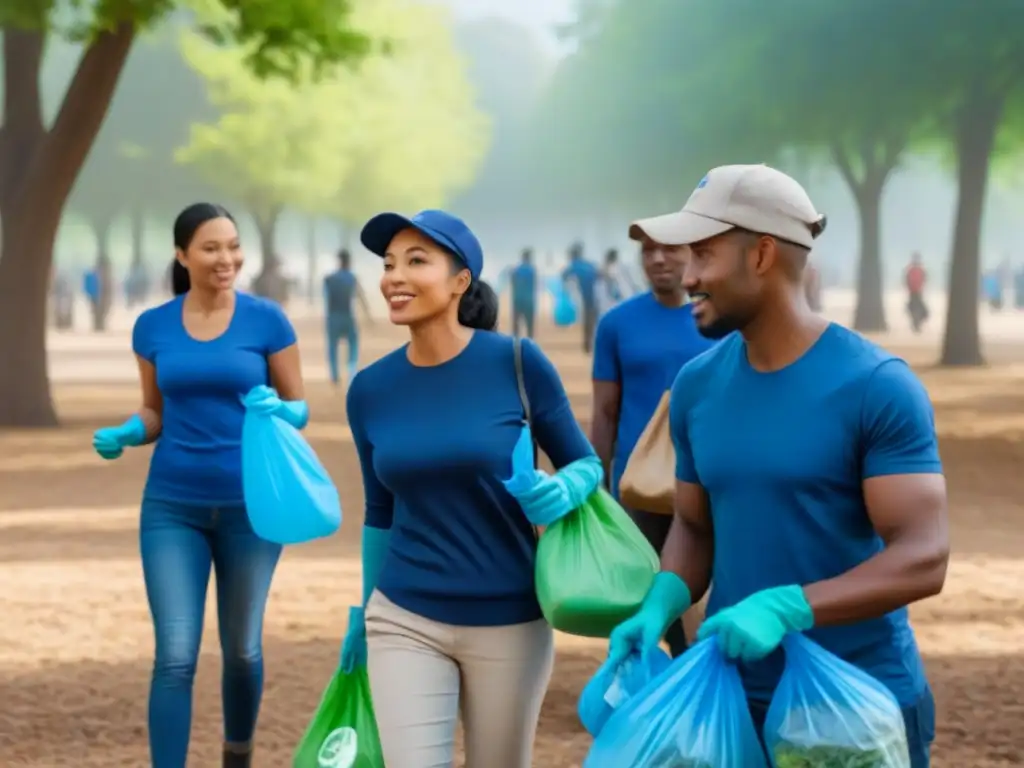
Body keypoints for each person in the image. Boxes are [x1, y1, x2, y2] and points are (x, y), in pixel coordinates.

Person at [607, 165, 946, 767]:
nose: (687, 277)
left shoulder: (875, 386)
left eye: (703, 256)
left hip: (857, 713)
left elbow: (923, 556)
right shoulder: (696, 387)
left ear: (761, 254)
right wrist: (658, 604)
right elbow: (694, 525)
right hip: (732, 708)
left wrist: (790, 606)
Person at [339, 209, 603, 768]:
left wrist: (564, 490)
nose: (394, 277)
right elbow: (379, 511)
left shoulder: (517, 363)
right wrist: (363, 612)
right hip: (404, 616)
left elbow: (586, 463)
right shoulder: (369, 390)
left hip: (511, 619)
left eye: (416, 261)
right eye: (388, 264)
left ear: (461, 280)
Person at [90, 203, 308, 768]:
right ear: (182, 255)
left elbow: (299, 408)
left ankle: (238, 755)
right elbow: (155, 411)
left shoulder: (267, 321)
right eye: (211, 248)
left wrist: (277, 410)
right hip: (172, 508)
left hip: (251, 506)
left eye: (233, 246)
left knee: (241, 649)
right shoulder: (153, 327)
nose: (227, 258)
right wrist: (128, 430)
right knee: (176, 657)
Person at [592, 236, 715, 658]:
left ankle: (691, 673)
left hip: (706, 481)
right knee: (644, 592)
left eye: (671, 248)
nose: (658, 258)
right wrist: (597, 487)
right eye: (647, 251)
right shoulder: (616, 324)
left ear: (694, 254)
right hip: (637, 486)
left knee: (698, 592)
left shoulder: (716, 321)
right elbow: (606, 411)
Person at [323, 247, 373, 387]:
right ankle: (351, 372)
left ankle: (334, 375)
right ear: (349, 261)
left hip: (333, 317)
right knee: (353, 346)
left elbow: (326, 299)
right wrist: (368, 316)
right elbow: (361, 297)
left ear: (338, 260)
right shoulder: (352, 278)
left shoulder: (329, 279)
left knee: (332, 347)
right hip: (347, 316)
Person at [562, 241, 600, 353]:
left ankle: (588, 345)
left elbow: (564, 276)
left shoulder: (574, 265)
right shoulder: (589, 264)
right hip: (596, 296)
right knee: (593, 321)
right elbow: (600, 274)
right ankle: (590, 344)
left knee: (589, 321)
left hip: (588, 297)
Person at [508, 247, 538, 338]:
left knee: (516, 325)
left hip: (517, 299)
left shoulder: (516, 270)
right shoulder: (532, 270)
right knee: (530, 325)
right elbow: (534, 285)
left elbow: (512, 283)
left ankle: (515, 344)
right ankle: (530, 343)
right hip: (529, 300)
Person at [905, 253, 928, 332]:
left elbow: (924, 279)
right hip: (915, 292)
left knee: (917, 310)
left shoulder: (913, 270)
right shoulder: (915, 270)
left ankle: (916, 324)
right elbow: (924, 279)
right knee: (918, 310)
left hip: (916, 292)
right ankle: (916, 324)